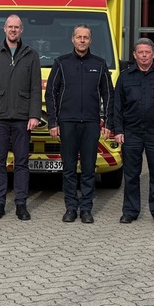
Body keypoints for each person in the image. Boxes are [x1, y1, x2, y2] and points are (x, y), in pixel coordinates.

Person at [46, 24, 113, 224]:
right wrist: (53, 122)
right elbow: (51, 93)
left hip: (91, 123)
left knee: (88, 168)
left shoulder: (100, 64)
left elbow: (109, 94)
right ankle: (70, 208)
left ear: (90, 41)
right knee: (68, 169)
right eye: (79, 37)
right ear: (73, 39)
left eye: (86, 37)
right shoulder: (61, 63)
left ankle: (86, 208)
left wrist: (108, 122)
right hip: (67, 123)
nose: (82, 40)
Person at [109, 38, 154, 226]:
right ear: (134, 54)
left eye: (148, 52)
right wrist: (118, 129)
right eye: (140, 52)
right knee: (131, 174)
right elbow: (117, 106)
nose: (144, 55)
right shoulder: (125, 77)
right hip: (131, 133)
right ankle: (130, 211)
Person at [0, 14, 40, 221]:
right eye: (10, 27)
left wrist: (34, 115)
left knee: (22, 162)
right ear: (4, 29)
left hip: (23, 118)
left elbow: (35, 88)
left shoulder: (32, 55)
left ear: (22, 30)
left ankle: (21, 204)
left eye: (17, 27)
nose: (13, 30)